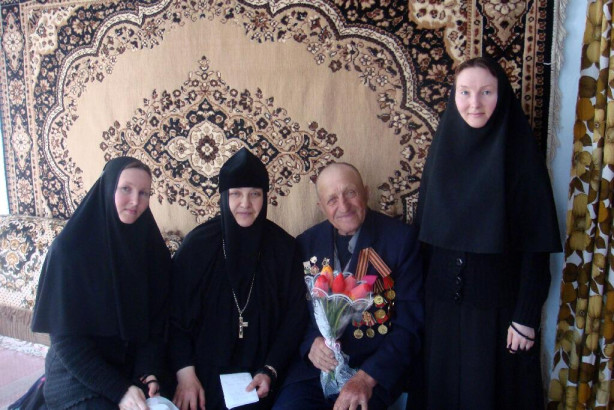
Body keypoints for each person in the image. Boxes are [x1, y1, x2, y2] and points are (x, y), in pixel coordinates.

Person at [416, 56, 562, 409]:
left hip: (498, 315)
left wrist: (526, 317)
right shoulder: (441, 154)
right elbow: (424, 238)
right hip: (441, 312)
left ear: (502, 95)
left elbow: (536, 247)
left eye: (486, 92)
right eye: (465, 92)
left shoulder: (520, 158)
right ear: (453, 95)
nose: (474, 103)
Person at [273, 162, 424, 410]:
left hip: (370, 371)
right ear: (321, 207)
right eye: (332, 199)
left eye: (350, 193)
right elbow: (294, 313)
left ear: (366, 192)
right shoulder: (306, 243)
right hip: (313, 372)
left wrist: (366, 377)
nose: (343, 206)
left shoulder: (400, 240)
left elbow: (410, 324)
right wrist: (310, 344)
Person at [168, 147, 308, 410]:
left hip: (264, 374)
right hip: (199, 372)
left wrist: (271, 368)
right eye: (236, 194)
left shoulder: (283, 248)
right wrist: (185, 373)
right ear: (223, 197)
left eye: (254, 194)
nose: (245, 203)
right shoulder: (197, 246)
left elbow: (295, 316)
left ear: (265, 197)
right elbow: (174, 317)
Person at [31, 156, 172, 409]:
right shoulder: (69, 251)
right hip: (79, 373)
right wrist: (120, 391)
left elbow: (157, 324)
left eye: (144, 193)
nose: (135, 201)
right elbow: (67, 343)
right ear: (108, 189)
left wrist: (148, 371)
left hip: (133, 367)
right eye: (126, 189)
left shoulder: (152, 251)